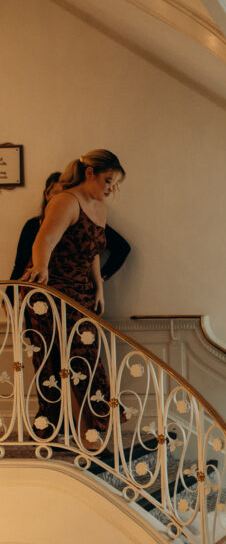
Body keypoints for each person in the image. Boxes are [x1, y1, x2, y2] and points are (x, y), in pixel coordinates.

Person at [21, 149, 126, 445]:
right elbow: (44, 239)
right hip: (50, 291)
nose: (111, 189)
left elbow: (93, 253)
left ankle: (89, 432)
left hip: (80, 291)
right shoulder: (66, 201)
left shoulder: (100, 207)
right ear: (90, 173)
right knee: (58, 362)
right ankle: (72, 434)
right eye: (108, 181)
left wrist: (99, 287)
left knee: (85, 360)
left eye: (115, 184)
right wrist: (41, 267)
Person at [7, 171, 130, 296]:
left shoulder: (85, 225)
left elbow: (121, 248)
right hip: (38, 294)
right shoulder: (33, 225)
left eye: (66, 195)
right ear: (47, 194)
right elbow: (20, 265)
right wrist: (8, 300)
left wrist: (99, 280)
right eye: (56, 193)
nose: (61, 199)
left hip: (75, 293)